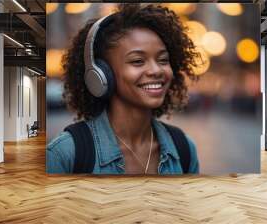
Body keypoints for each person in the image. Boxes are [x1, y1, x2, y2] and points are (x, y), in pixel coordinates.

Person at [46, 4, 201, 174]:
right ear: (100, 74)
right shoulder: (65, 154)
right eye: (137, 61)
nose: (157, 70)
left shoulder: (184, 149)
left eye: (163, 60)